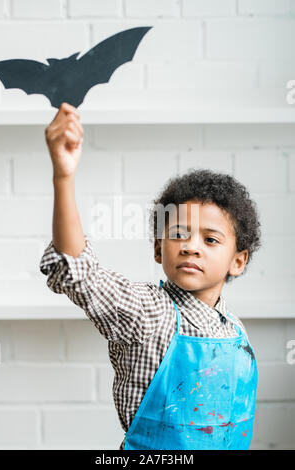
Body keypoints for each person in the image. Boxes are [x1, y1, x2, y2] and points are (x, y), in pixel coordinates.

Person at [40, 102, 261, 450]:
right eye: (178, 235)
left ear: (238, 261)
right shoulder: (147, 312)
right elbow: (79, 270)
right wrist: (63, 178)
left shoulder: (235, 329)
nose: (191, 247)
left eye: (210, 239)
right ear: (159, 250)